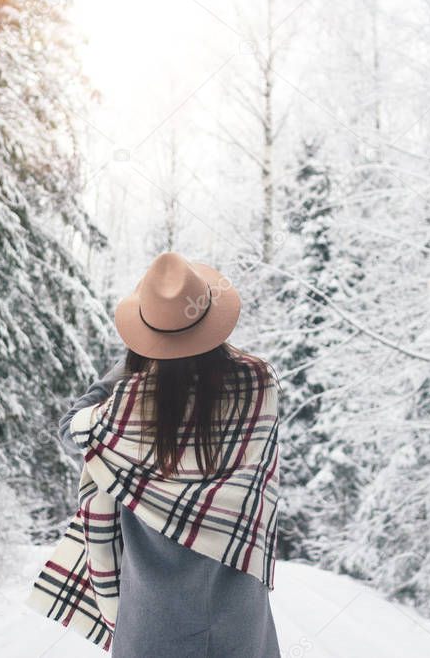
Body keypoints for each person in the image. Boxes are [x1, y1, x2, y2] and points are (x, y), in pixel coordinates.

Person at [25, 251, 282, 657]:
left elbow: (70, 427)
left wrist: (130, 367)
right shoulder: (259, 386)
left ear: (148, 337)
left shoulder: (127, 406)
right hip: (238, 618)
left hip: (151, 624)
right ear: (210, 320)